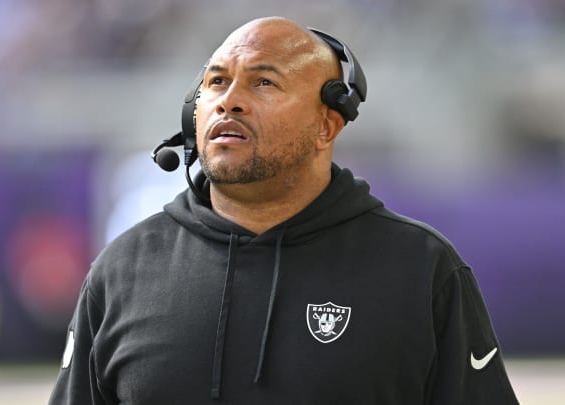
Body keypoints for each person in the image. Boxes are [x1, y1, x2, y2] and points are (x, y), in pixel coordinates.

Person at [49, 16, 519, 404]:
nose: (229, 100)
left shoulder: (422, 268)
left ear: (327, 124)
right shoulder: (122, 271)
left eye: (264, 82)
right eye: (216, 82)